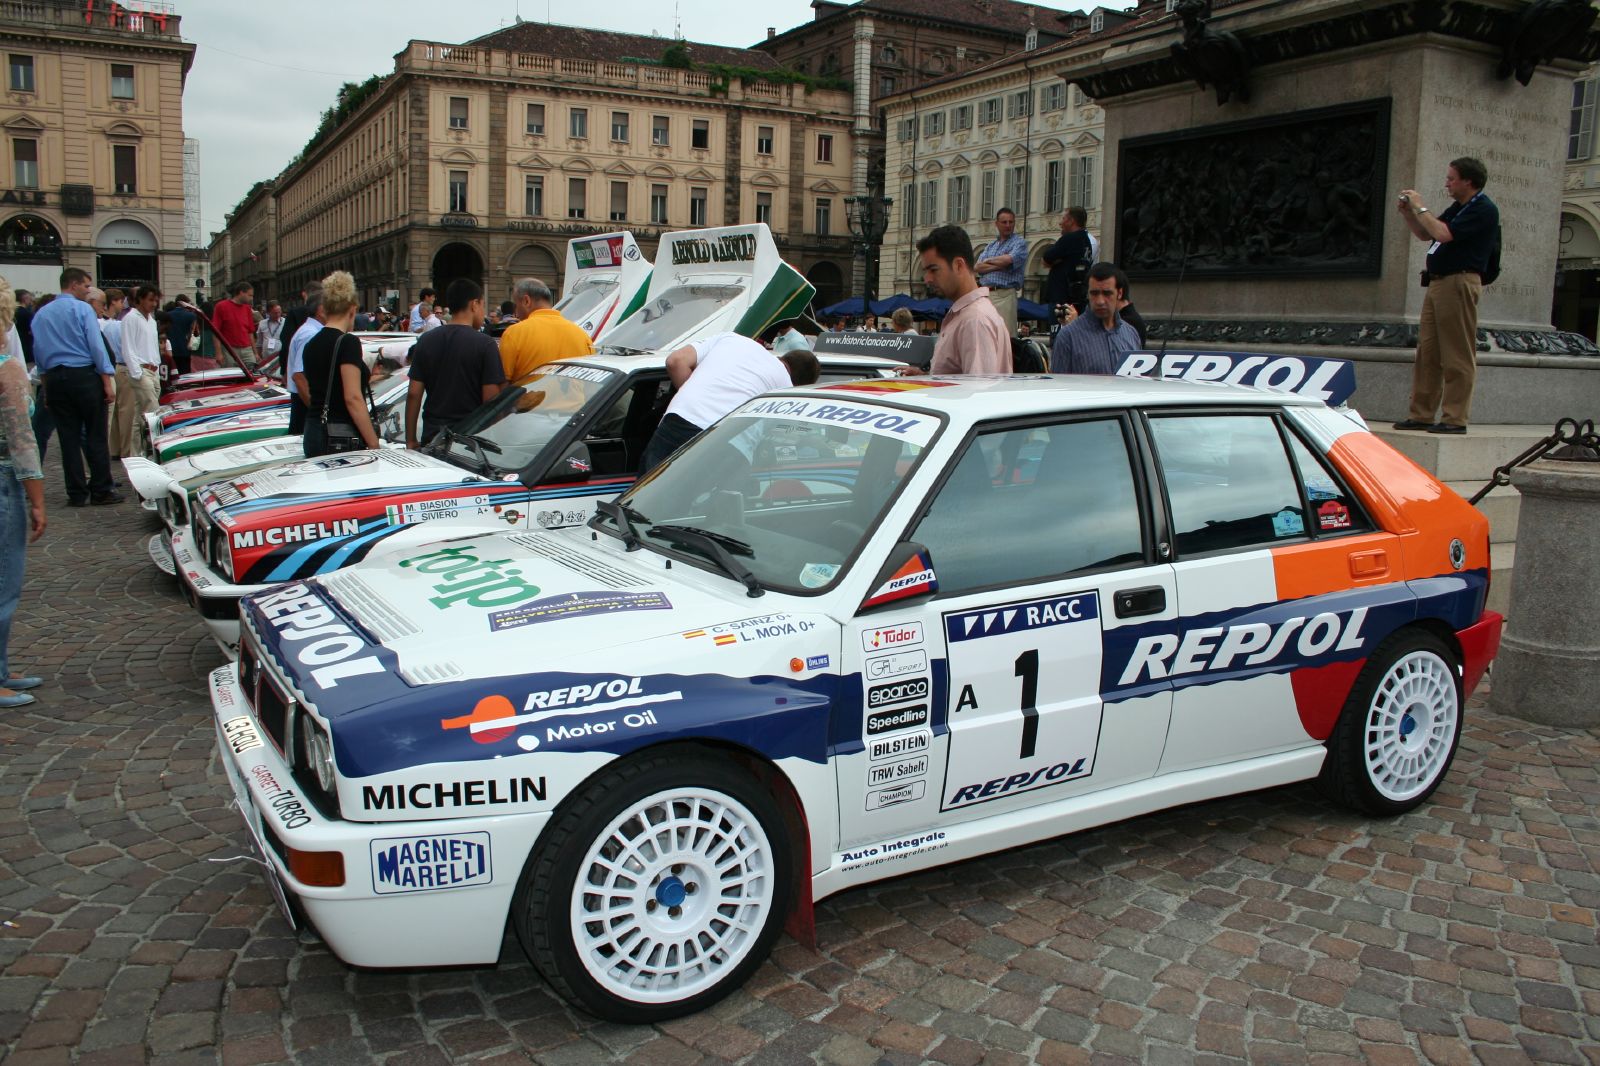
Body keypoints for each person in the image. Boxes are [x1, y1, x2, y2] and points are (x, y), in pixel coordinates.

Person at [1393, 157, 1500, 434]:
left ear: (1468, 181)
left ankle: (1455, 418)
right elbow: (1424, 233)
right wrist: (1408, 213)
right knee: (1427, 352)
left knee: (1457, 354)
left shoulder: (1483, 209)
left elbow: (1443, 234)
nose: (1447, 183)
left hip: (1459, 282)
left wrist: (1420, 205)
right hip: (1438, 283)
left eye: (1452, 178)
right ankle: (1422, 414)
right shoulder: (1458, 208)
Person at [640, 329, 819, 474]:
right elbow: (785, 437)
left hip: (677, 421)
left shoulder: (731, 339)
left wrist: (698, 399)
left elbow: (675, 361)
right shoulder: (786, 388)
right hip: (724, 443)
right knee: (690, 515)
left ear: (784, 357)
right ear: (800, 384)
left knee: (641, 505)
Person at [31, 268, 121, 506]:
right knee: (95, 433)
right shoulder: (82, 309)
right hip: (84, 375)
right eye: (85, 286)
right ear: (73, 285)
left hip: (55, 378)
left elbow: (39, 353)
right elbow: (95, 346)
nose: (87, 290)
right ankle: (101, 489)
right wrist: (106, 381)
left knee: (67, 438)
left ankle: (76, 492)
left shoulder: (41, 314)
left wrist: (46, 388)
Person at [0, 277, 47, 708]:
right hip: (3, 479)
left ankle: (1, 668)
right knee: (3, 583)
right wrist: (36, 498)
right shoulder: (7, 368)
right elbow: (21, 439)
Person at [405, 278, 506, 448]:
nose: (483, 312)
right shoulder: (485, 344)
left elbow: (414, 393)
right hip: (470, 441)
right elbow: (491, 400)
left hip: (432, 437)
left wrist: (410, 440)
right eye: (483, 305)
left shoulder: (426, 340)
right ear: (474, 304)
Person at [897, 225, 1010, 377]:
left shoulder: (974, 320)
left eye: (934, 270)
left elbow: (978, 392)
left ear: (958, 265)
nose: (927, 279)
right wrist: (926, 377)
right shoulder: (968, 315)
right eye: (926, 271)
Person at [301, 271, 380, 457]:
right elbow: (352, 398)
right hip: (339, 435)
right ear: (352, 309)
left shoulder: (311, 344)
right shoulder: (348, 342)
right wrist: (374, 443)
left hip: (313, 430)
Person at [1050, 263, 1141, 375]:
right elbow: (1058, 388)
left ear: (1120, 293)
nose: (1100, 301)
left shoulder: (1131, 334)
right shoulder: (1068, 338)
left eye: (1107, 294)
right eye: (1094, 293)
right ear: (1087, 294)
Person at [498, 277, 594, 381]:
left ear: (526, 301)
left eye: (516, 305)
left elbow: (502, 384)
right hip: (574, 397)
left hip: (532, 397)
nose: (515, 313)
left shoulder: (514, 333)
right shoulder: (582, 335)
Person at [115, 286, 162, 459]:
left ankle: (136, 454)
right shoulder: (131, 319)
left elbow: (153, 346)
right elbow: (128, 347)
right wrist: (137, 373)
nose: (153, 304)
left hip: (152, 369)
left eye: (156, 300)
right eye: (150, 300)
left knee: (140, 415)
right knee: (153, 413)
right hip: (141, 370)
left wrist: (156, 366)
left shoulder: (151, 320)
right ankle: (154, 452)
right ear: (140, 299)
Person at [973, 208, 1027, 336]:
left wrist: (989, 261)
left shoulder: (1019, 243)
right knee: (985, 336)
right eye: (1004, 222)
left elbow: (1009, 260)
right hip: (986, 294)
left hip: (1005, 294)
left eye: (1011, 222)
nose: (1008, 225)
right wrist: (1000, 264)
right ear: (996, 224)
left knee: (1005, 337)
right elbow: (978, 267)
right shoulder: (991, 245)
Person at [284, 285, 324, 436]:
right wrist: (316, 413)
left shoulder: (308, 330)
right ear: (321, 310)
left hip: (302, 401)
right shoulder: (310, 334)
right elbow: (299, 376)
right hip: (304, 403)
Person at [1042, 207, 1093, 311]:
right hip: (1078, 297)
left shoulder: (1069, 239)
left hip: (1061, 298)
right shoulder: (1087, 241)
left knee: (1059, 326)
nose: (1061, 223)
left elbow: (1045, 259)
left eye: (1064, 218)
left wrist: (1056, 261)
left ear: (1071, 221)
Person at [98, 289, 126, 456]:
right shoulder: (107, 324)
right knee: (114, 414)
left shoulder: (112, 323)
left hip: (112, 367)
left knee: (115, 414)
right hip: (112, 368)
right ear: (114, 301)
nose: (122, 305)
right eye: (120, 301)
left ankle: (113, 448)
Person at [212, 281, 257, 371]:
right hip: (229, 349)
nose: (251, 298)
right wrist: (218, 353)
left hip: (246, 349)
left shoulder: (247, 308)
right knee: (231, 374)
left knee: (252, 372)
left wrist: (255, 352)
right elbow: (216, 331)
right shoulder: (221, 306)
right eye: (250, 295)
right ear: (241, 293)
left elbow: (250, 332)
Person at [165, 295, 197, 377]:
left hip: (171, 350)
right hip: (185, 350)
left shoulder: (167, 315)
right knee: (185, 374)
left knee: (173, 373)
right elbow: (194, 333)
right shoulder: (191, 316)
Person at [255, 301, 286, 369]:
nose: (278, 315)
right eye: (275, 313)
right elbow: (259, 342)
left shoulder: (286, 323)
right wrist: (258, 355)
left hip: (280, 358)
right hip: (265, 359)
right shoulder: (262, 323)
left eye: (279, 312)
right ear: (268, 313)